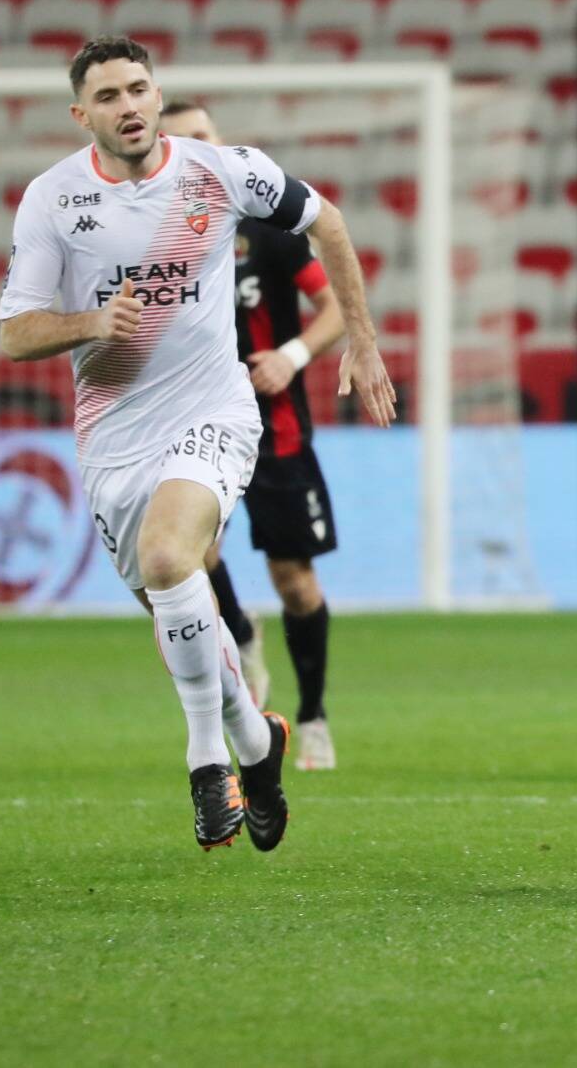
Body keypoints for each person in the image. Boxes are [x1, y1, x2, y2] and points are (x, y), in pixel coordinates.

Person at [0, 37, 393, 851]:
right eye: (108, 96)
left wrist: (361, 339)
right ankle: (258, 740)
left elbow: (330, 223)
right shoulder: (51, 199)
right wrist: (90, 323)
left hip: (214, 409)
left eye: (138, 88)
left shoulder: (220, 170)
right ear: (83, 115)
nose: (129, 105)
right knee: (172, 601)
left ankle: (209, 759)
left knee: (174, 559)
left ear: (157, 92)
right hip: (113, 432)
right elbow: (15, 333)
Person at [161, 99, 346, 772]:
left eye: (205, 137)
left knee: (295, 581)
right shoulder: (156, 239)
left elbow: (332, 312)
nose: (198, 150)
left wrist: (290, 357)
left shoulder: (267, 228)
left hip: (277, 427)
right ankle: (238, 632)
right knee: (188, 547)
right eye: (182, 142)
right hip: (193, 420)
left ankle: (314, 715)